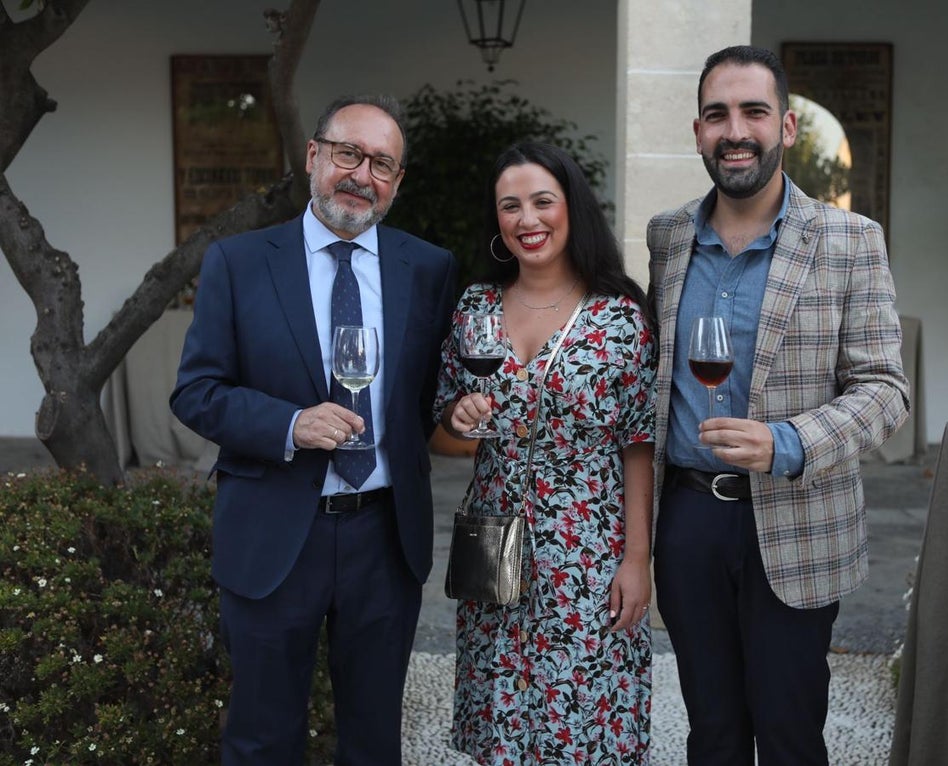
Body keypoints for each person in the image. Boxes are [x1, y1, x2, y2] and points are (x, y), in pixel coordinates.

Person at [171, 94, 456, 765]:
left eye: (382, 163)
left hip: (384, 540)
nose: (362, 174)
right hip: (273, 536)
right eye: (348, 153)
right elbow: (195, 393)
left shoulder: (428, 268)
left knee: (371, 742)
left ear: (397, 182)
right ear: (314, 156)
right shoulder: (238, 262)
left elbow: (425, 401)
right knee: (261, 740)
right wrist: (291, 424)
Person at [646, 46, 910, 764]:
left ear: (787, 127)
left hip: (798, 520)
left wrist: (785, 443)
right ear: (698, 131)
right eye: (717, 114)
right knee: (713, 732)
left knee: (791, 734)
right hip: (690, 519)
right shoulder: (668, 239)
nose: (736, 130)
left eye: (753, 112)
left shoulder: (851, 241)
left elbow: (886, 391)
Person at [436, 141, 656, 763]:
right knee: (500, 720)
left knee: (585, 724)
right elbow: (444, 436)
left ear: (571, 209)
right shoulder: (474, 308)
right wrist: (459, 418)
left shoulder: (621, 316)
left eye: (542, 202)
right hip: (493, 547)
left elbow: (638, 443)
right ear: (498, 223)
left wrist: (638, 559)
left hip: (588, 551)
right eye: (511, 207)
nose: (527, 219)